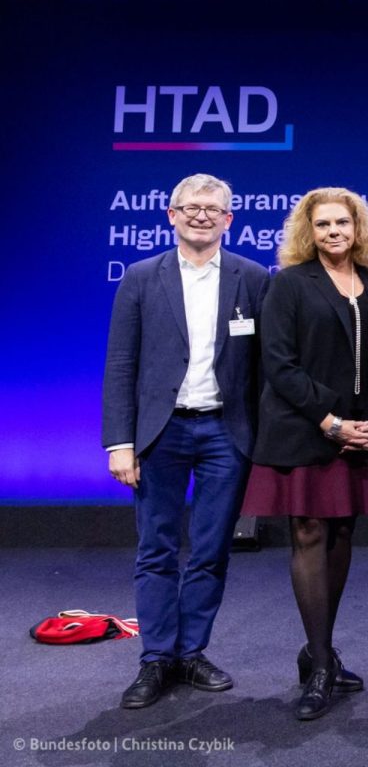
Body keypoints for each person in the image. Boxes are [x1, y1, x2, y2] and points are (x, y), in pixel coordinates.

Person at [102, 173, 269, 709]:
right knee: (156, 549)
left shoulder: (253, 277)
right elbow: (121, 363)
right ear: (171, 215)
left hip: (226, 432)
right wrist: (119, 442)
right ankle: (155, 658)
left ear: (229, 219)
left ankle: (191, 652)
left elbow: (266, 367)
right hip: (161, 432)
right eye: (190, 207)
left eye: (212, 208)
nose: (201, 215)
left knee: (211, 550)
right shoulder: (140, 277)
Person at [242, 187, 368, 721]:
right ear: (307, 232)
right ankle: (319, 666)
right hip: (305, 431)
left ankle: (320, 652)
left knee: (341, 534)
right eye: (323, 224)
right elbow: (279, 363)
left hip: (363, 433)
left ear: (358, 228)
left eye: (342, 223)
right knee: (310, 533)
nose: (334, 232)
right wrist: (332, 423)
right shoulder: (289, 284)